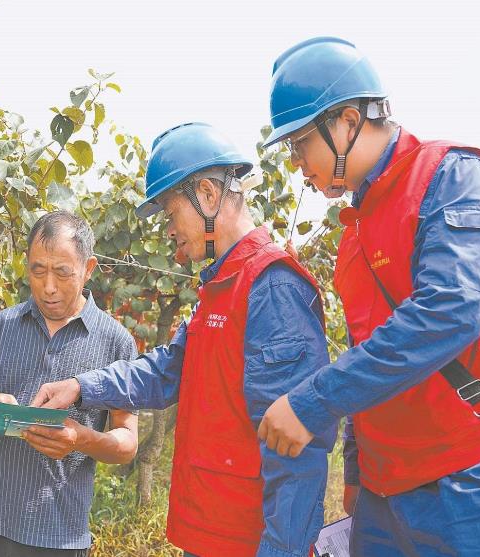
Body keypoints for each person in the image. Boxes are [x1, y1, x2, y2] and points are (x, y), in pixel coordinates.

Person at [32, 122, 335, 557]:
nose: (170, 231)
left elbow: (296, 450)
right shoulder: (221, 287)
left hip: (247, 541)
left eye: (172, 214)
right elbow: (165, 371)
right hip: (212, 532)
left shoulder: (270, 287)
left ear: (208, 195)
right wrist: (81, 386)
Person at [257, 37, 480, 556]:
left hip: (467, 479)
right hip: (383, 492)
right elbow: (364, 349)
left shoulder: (452, 178)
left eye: (301, 144)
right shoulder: (354, 233)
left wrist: (313, 401)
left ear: (348, 121)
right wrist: (356, 471)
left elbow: (451, 310)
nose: (297, 163)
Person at [0, 211, 139, 557]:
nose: (48, 287)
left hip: (56, 536)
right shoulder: (0, 328)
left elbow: (127, 443)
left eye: (62, 273)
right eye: (37, 271)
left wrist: (81, 439)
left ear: (88, 269)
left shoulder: (116, 343)